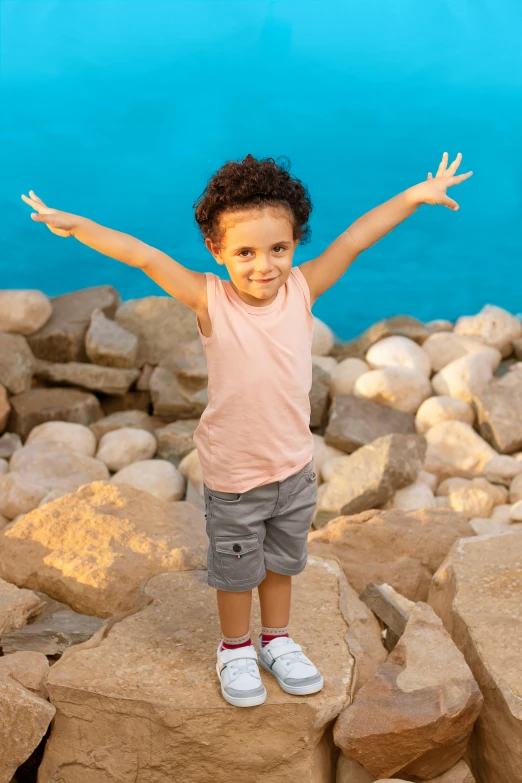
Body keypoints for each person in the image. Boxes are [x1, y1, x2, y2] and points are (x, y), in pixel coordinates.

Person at [21, 151, 472, 708]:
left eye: (278, 248)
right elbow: (144, 257)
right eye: (245, 252)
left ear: (296, 244)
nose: (264, 265)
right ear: (217, 252)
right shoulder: (212, 301)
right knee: (236, 572)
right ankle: (234, 648)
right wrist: (79, 226)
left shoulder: (302, 291)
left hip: (294, 468)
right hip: (235, 475)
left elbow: (356, 239)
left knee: (282, 563)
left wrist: (413, 197)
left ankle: (276, 641)